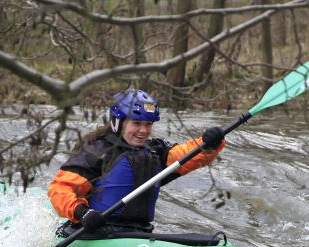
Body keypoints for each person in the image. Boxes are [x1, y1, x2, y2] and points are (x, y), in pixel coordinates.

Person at [48, 89, 225, 235]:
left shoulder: (154, 152)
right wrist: (82, 212)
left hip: (139, 235)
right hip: (94, 234)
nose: (143, 131)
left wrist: (210, 143)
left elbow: (189, 155)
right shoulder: (95, 150)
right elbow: (60, 189)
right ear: (118, 122)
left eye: (148, 125)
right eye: (137, 123)